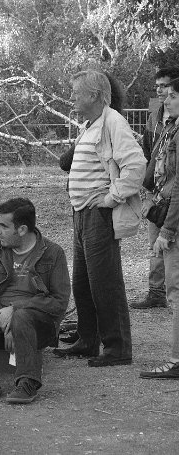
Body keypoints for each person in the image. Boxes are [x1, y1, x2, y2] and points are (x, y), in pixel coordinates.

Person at [54, 70, 146, 367]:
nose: (72, 97)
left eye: (77, 92)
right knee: (83, 282)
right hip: (81, 212)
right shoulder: (90, 124)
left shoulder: (113, 122)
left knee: (105, 282)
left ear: (93, 95)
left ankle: (117, 347)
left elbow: (136, 165)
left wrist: (111, 197)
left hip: (98, 215)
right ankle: (88, 339)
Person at [0, 198, 70, 404]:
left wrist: (14, 311)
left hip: (38, 326)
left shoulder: (53, 253)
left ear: (22, 229)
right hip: (0, 320)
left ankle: (27, 382)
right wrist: (2, 318)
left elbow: (58, 301)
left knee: (22, 317)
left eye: (4, 226)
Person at [131, 67, 179, 309]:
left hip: (171, 199)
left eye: (167, 89)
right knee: (155, 242)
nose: (161, 93)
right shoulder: (157, 117)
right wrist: (149, 190)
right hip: (158, 194)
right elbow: (150, 153)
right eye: (158, 87)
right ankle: (156, 290)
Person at [142, 79, 179, 378]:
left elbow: (178, 186)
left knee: (176, 291)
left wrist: (167, 230)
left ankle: (177, 360)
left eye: (174, 95)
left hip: (174, 222)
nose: (166, 100)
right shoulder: (171, 128)